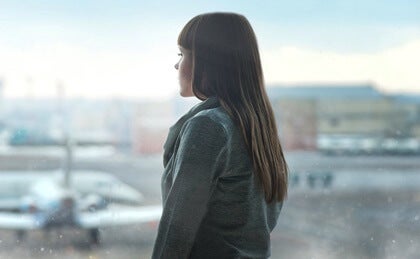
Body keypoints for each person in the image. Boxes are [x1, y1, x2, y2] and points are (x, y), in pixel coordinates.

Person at [152, 12, 288, 259]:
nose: (176, 65)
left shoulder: (208, 126)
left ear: (207, 62)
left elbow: (177, 230)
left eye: (182, 54)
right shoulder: (256, 126)